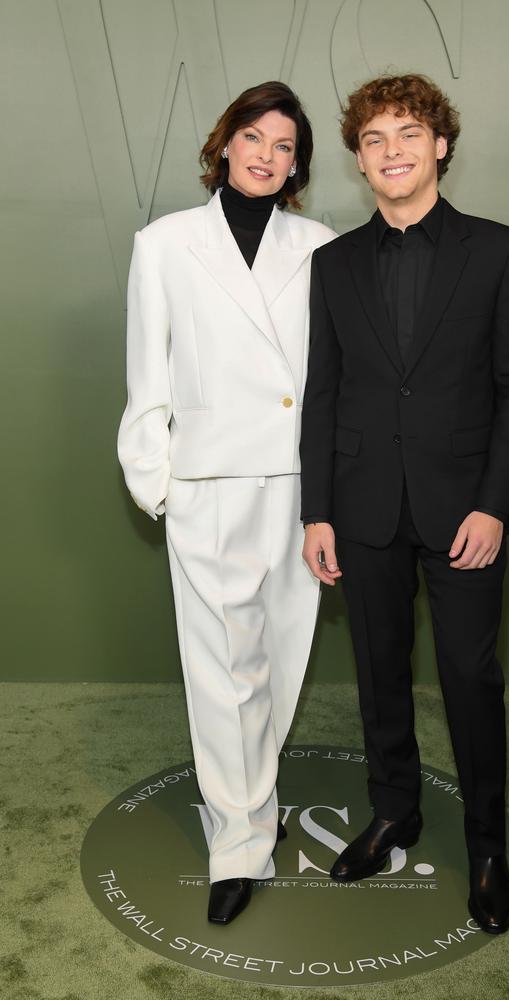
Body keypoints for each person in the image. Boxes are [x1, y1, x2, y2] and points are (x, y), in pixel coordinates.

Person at [300, 74, 509, 934]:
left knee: (472, 681)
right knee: (378, 674)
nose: (392, 150)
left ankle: (485, 847)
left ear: (441, 144)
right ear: (358, 158)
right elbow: (322, 393)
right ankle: (394, 811)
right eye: (374, 138)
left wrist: (495, 507)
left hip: (464, 511)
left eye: (409, 132)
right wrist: (316, 511)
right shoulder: (331, 265)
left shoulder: (498, 250)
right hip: (361, 508)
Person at [118, 81, 336, 925]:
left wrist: (332, 492)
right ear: (224, 143)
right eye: (254, 136)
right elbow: (148, 369)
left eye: (285, 147)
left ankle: (255, 797)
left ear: (297, 165)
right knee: (223, 669)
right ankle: (239, 841)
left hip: (296, 486)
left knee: (280, 658)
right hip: (208, 482)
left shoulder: (321, 245)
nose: (266, 155)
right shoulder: (166, 243)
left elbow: (331, 383)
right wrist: (158, 477)